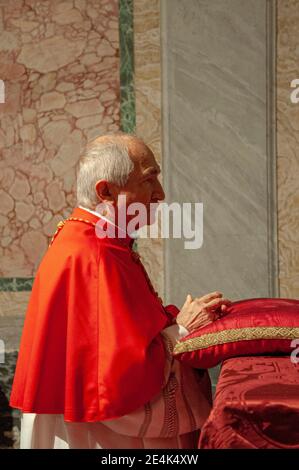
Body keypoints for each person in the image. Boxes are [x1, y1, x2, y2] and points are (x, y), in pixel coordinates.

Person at [10, 133, 231, 449]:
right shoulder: (93, 254)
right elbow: (118, 378)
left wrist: (178, 320)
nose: (161, 194)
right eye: (148, 180)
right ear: (106, 191)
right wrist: (182, 328)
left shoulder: (92, 238)